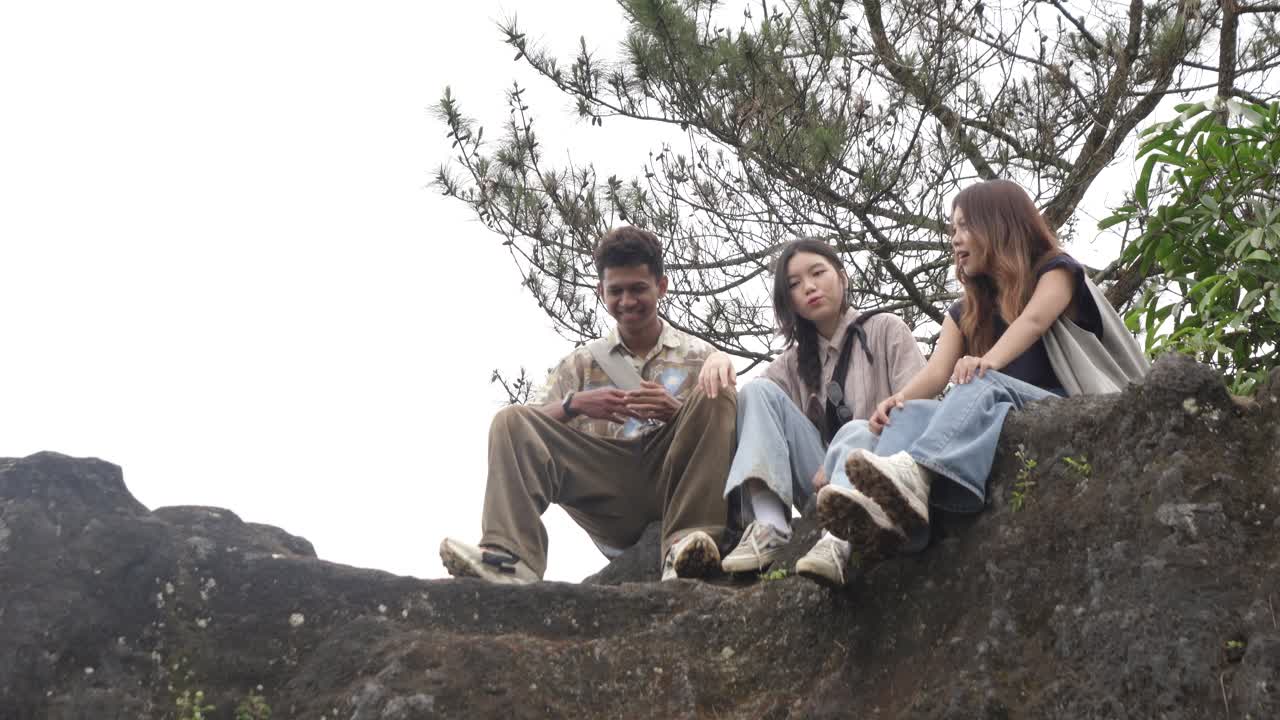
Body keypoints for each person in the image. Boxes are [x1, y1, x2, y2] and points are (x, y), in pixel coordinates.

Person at [816, 179, 1149, 564]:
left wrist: (987, 361)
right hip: (1001, 412)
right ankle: (886, 515)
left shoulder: (1056, 270)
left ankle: (917, 474)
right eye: (952, 230)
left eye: (963, 227)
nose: (955, 240)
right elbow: (938, 374)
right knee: (911, 413)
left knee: (979, 381)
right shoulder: (966, 311)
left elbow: (1035, 321)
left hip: (1068, 407)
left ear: (997, 223)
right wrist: (897, 400)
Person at [440, 226, 737, 584]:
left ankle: (686, 548)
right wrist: (574, 405)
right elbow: (524, 429)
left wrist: (675, 411)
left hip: (672, 480)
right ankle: (510, 557)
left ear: (661, 287)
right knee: (510, 419)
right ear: (601, 292)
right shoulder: (581, 364)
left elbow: (724, 435)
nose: (627, 301)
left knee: (719, 391)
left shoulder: (700, 356)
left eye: (638, 289)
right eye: (616, 291)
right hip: (607, 487)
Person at [697, 238, 926, 587]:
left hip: (877, 480)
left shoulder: (886, 330)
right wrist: (717, 357)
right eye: (794, 285)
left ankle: (837, 544)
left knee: (858, 431)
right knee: (756, 392)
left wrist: (838, 459)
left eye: (818, 273)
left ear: (843, 277)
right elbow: (754, 409)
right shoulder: (792, 363)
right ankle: (771, 524)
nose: (809, 287)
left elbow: (918, 409)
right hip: (818, 488)